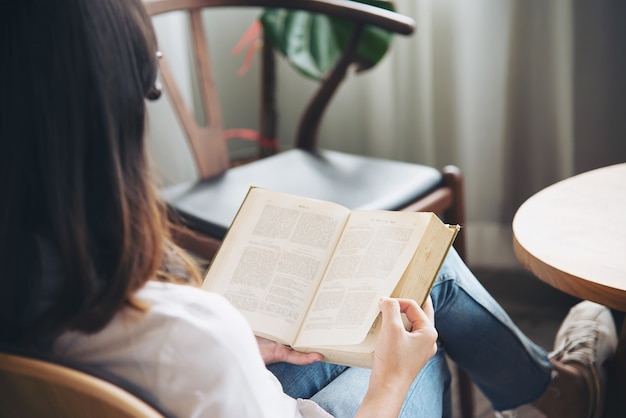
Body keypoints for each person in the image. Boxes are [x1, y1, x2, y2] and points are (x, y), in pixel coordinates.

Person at [0, 0, 618, 417]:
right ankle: (554, 392)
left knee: (410, 272)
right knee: (419, 291)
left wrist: (239, 340)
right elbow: (190, 358)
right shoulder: (186, 337)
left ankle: (551, 389)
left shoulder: (56, 305)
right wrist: (395, 380)